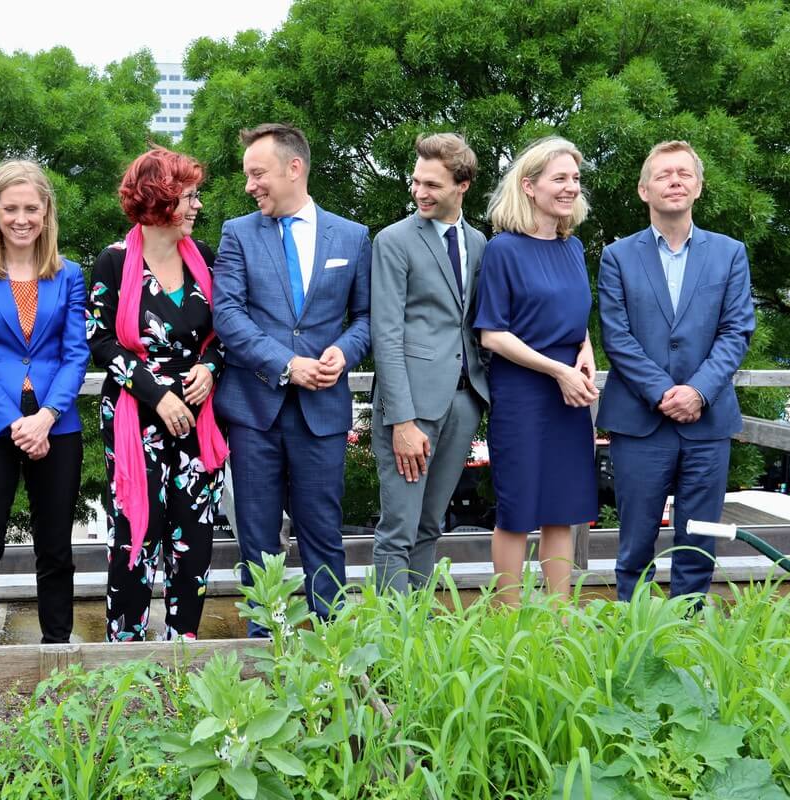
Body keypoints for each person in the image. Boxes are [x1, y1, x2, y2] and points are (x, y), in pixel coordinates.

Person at [212, 123, 372, 631]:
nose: (249, 185)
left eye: (257, 173)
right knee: (257, 537)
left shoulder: (351, 236)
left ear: (294, 168)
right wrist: (287, 365)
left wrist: (343, 354)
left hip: (322, 412)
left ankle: (332, 644)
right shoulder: (237, 233)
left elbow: (367, 318)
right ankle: (268, 644)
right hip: (254, 410)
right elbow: (228, 317)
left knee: (323, 531)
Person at [597, 141, 755, 601]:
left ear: (699, 187)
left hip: (706, 422)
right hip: (640, 422)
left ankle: (686, 637)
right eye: (664, 174)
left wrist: (698, 392)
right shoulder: (617, 257)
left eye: (684, 173)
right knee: (635, 544)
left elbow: (736, 331)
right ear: (644, 189)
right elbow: (617, 336)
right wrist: (665, 391)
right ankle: (635, 635)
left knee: (698, 543)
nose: (675, 181)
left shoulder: (729, 254)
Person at [0, 160, 89, 645]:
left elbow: (76, 354)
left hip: (57, 426)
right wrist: (15, 422)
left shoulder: (69, 275)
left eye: (32, 208)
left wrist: (46, 417)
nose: (21, 218)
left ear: (47, 213)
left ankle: (56, 649)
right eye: (11, 208)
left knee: (56, 548)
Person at [88, 148, 227, 641]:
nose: (197, 206)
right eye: (190, 197)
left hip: (199, 418)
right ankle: (123, 653)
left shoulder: (206, 260)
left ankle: (182, 650)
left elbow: (226, 334)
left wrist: (210, 369)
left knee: (195, 535)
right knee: (135, 534)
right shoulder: (113, 261)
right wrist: (157, 395)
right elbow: (99, 339)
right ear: (162, 200)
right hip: (135, 415)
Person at [473, 136, 598, 607]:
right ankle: (508, 622)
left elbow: (574, 315)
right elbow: (493, 334)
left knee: (562, 511)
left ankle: (558, 621)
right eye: (559, 178)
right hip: (524, 394)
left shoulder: (573, 247)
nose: (571, 187)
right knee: (517, 510)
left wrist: (585, 351)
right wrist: (557, 371)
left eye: (575, 179)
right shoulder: (503, 249)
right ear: (529, 186)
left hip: (569, 395)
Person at [370, 133, 489, 594]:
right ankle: (388, 646)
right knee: (398, 530)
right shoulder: (393, 241)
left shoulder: (479, 242)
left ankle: (416, 638)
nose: (419, 192)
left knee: (430, 526)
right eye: (416, 181)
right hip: (411, 409)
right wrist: (401, 420)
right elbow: (387, 333)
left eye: (432, 184)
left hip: (464, 402)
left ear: (462, 185)